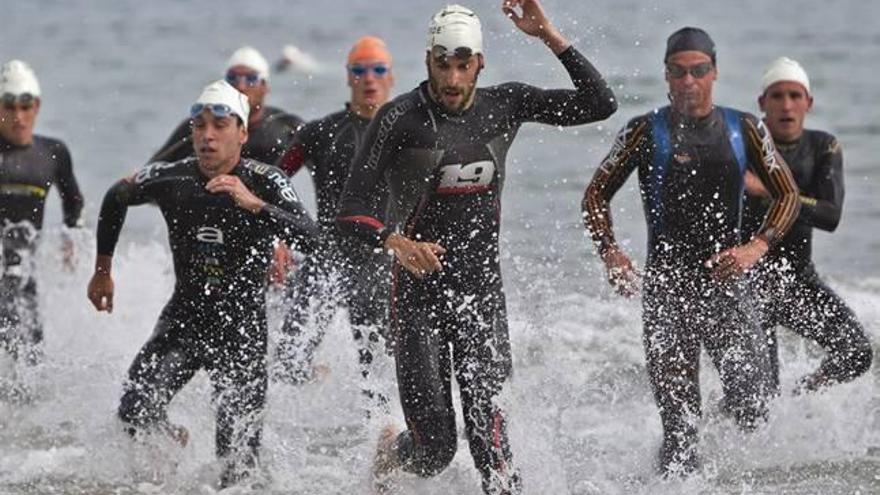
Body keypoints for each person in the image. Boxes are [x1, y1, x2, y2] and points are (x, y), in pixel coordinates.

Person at [337, 2, 617, 493]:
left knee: (493, 449)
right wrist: (394, 241)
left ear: (480, 63)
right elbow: (351, 208)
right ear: (428, 61)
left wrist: (547, 34)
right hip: (417, 299)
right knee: (435, 450)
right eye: (442, 63)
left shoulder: (505, 104)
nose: (452, 76)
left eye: (463, 64)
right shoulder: (398, 118)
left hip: (481, 296)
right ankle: (390, 454)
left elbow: (600, 104)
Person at [581, 27, 801, 475]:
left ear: (714, 73)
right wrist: (611, 253)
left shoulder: (746, 129)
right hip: (667, 294)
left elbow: (788, 196)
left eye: (698, 71)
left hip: (726, 288)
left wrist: (755, 247)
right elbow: (594, 195)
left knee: (752, 406)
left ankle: (716, 461)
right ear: (666, 76)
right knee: (679, 427)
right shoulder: (644, 131)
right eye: (678, 72)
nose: (688, 82)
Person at [86, 80, 317, 488]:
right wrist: (103, 268)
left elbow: (312, 238)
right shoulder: (172, 178)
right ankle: (172, 442)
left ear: (242, 132)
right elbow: (117, 195)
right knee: (133, 411)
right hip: (185, 321)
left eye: (220, 125)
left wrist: (256, 206)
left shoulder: (267, 180)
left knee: (236, 468)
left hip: (241, 332)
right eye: (199, 125)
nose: (207, 136)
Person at [273, 36, 395, 410]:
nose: (368, 78)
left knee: (379, 376)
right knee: (288, 363)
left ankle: (382, 444)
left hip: (380, 261)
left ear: (391, 76)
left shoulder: (406, 130)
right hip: (327, 257)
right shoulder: (321, 132)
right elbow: (274, 179)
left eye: (378, 70)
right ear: (348, 77)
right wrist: (277, 239)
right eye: (359, 70)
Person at [742, 57, 872, 393]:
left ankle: (801, 396)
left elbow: (830, 216)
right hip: (749, 285)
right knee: (760, 395)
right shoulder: (742, 145)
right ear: (762, 103)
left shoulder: (822, 146)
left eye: (795, 96)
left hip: (797, 282)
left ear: (808, 103)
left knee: (856, 351)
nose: (786, 105)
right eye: (777, 96)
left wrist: (770, 191)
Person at [0, 59, 83, 370]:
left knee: (32, 358)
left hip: (24, 276)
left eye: (26, 105)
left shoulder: (53, 153)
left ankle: (25, 419)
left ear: (37, 106)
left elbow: (74, 202)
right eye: (9, 105)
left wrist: (72, 239)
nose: (18, 116)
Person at [150, 46, 303, 165]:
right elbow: (151, 174)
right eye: (232, 78)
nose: (241, 86)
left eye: (251, 78)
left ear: (265, 87)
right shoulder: (198, 127)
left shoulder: (285, 125)